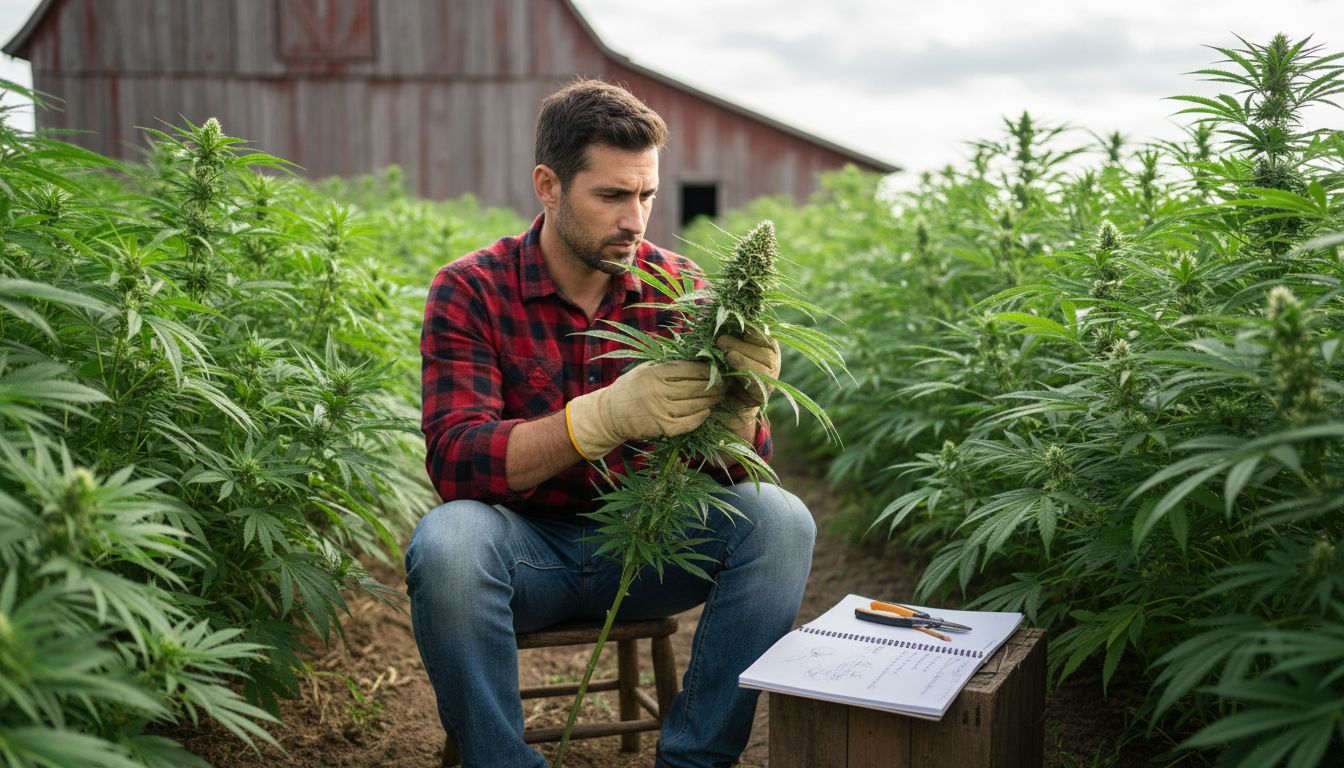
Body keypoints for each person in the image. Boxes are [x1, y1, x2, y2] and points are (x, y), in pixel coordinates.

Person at [405, 78, 815, 768]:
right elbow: (456, 460)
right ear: (548, 185)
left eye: (646, 195)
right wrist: (597, 419)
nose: (636, 219)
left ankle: (694, 761)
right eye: (612, 196)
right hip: (526, 555)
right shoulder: (471, 288)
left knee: (780, 520)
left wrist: (742, 407)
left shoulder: (684, 292)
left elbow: (737, 474)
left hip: (652, 547)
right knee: (446, 543)